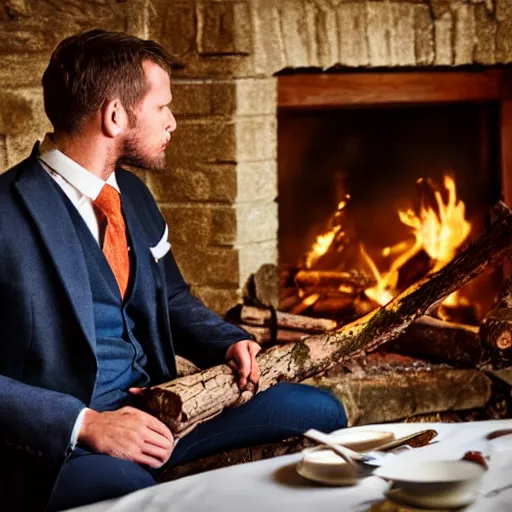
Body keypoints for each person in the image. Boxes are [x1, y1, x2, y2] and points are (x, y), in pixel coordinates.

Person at [0, 29, 347, 511]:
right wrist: (87, 424)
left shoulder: (132, 195)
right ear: (115, 115)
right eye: (162, 107)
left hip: (164, 409)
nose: (174, 121)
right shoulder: (5, 212)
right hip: (68, 444)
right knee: (137, 498)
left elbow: (172, 297)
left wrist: (226, 340)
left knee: (321, 411)